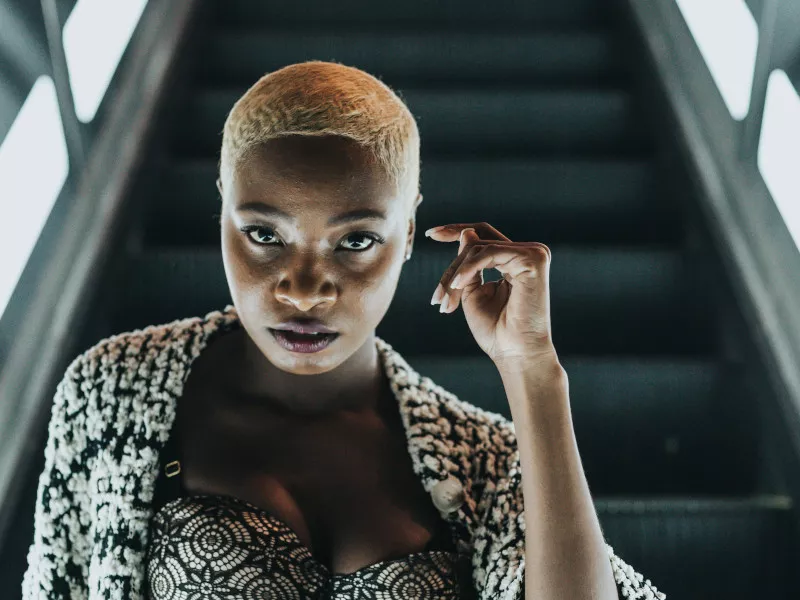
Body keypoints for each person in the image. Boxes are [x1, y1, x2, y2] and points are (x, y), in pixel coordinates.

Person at [21, 60, 665, 599]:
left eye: (355, 240)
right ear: (221, 210)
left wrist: (535, 371)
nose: (303, 288)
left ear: (408, 234)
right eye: (264, 234)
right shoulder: (113, 393)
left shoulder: (486, 463)